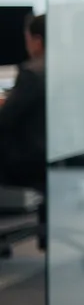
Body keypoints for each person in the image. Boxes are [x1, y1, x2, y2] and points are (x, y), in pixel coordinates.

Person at [0, 13, 45, 194]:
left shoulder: (32, 74)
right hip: (46, 152)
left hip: (28, 158)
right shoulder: (64, 68)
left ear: (37, 41)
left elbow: (5, 120)